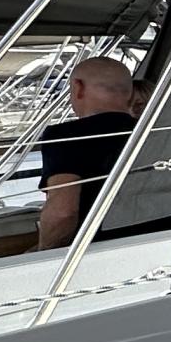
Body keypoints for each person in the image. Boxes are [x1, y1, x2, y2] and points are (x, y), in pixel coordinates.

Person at [36, 56, 139, 247]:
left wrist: (42, 252)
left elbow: (63, 213)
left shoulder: (65, 136)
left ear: (78, 88)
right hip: (155, 241)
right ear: (131, 94)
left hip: (93, 250)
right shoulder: (155, 131)